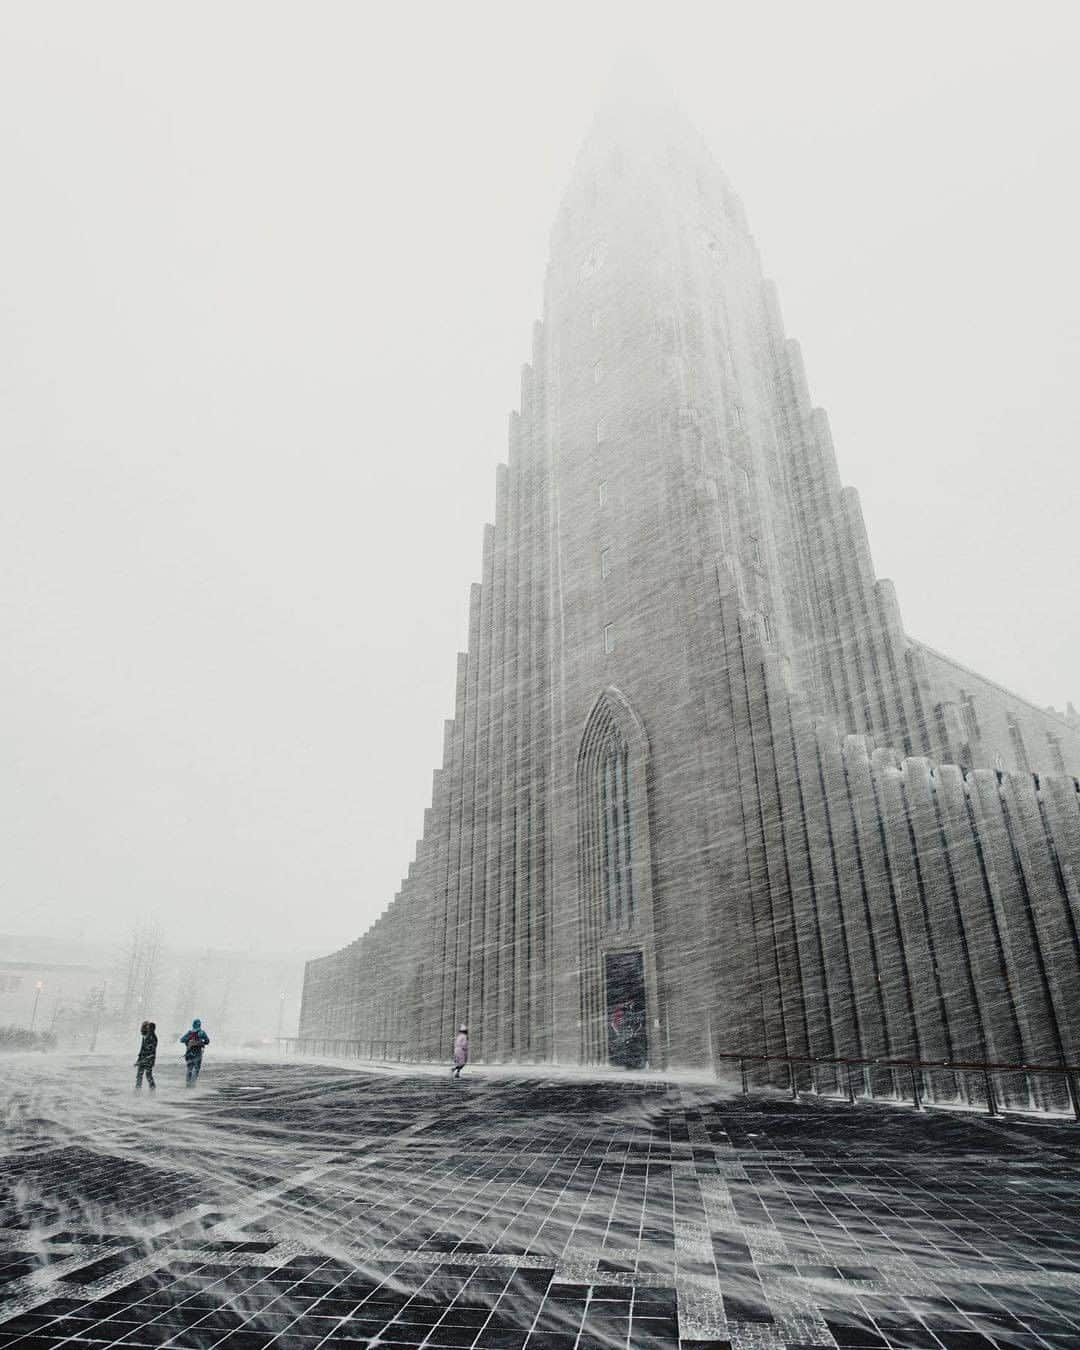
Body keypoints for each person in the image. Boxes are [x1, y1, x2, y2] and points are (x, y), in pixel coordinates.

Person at [180, 1018, 210, 1087]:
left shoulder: (189, 1032)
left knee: (189, 1069)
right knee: (196, 1069)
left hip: (189, 1053)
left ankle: (187, 1084)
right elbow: (207, 1041)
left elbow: (181, 1040)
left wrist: (190, 1040)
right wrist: (201, 1042)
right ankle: (193, 1085)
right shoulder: (202, 1032)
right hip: (198, 1054)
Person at [134, 1020, 157, 1092]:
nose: (142, 1029)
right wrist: (139, 1059)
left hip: (148, 1059)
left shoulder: (151, 1037)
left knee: (147, 1075)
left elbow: (151, 1050)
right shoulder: (145, 1036)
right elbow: (142, 1049)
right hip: (145, 1059)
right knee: (141, 1076)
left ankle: (152, 1090)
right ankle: (138, 1090)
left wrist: (144, 1059)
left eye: (145, 1027)